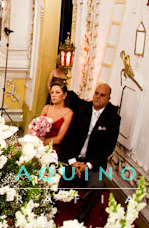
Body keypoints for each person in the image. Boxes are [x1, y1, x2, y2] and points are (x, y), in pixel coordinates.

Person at [61, 83, 121, 223]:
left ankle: (82, 218)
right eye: (96, 93)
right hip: (74, 159)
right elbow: (69, 138)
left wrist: (87, 165)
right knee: (55, 172)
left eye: (102, 95)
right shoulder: (82, 111)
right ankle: (54, 206)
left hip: (94, 164)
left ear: (108, 98)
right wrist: (73, 162)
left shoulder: (113, 119)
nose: (98, 97)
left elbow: (108, 148)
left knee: (97, 186)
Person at [35, 82, 73, 157]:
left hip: (52, 147)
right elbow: (37, 128)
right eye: (52, 92)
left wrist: (43, 143)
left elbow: (59, 139)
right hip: (39, 142)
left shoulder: (68, 113)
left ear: (64, 95)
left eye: (57, 92)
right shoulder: (46, 108)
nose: (53, 95)